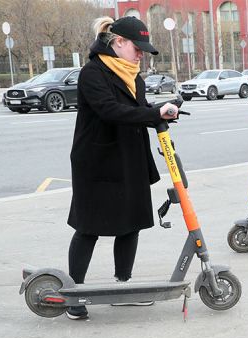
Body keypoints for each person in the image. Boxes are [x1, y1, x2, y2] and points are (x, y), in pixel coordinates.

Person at [65, 16, 179, 320]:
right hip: (98, 162)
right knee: (88, 226)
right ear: (118, 43)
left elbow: (137, 110)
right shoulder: (93, 73)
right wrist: (153, 112)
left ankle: (123, 286)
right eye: (137, 48)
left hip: (130, 158)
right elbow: (110, 111)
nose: (140, 54)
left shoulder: (134, 76)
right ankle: (74, 294)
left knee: (132, 222)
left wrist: (160, 114)